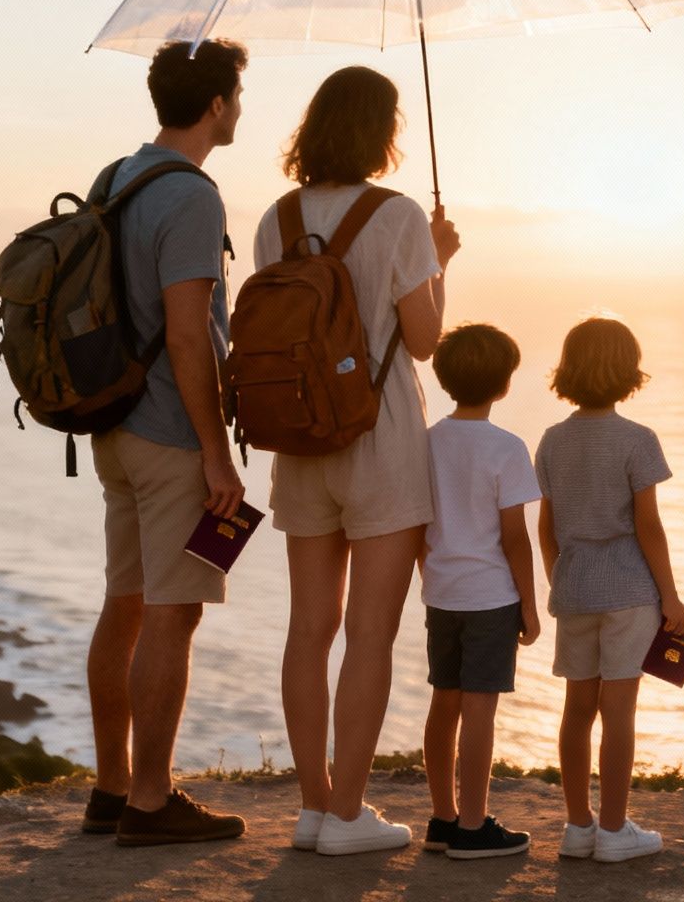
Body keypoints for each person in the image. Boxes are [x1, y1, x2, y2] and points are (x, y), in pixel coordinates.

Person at [251, 65, 460, 856]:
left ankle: (314, 808)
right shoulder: (398, 216)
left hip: (300, 439)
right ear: (382, 131)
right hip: (381, 440)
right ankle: (348, 815)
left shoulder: (276, 217)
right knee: (370, 635)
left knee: (309, 629)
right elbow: (425, 342)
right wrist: (440, 260)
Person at [83, 39, 249, 846]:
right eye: (237, 95)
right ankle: (151, 803)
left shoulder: (115, 178)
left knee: (124, 605)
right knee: (173, 616)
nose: (240, 108)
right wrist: (216, 452)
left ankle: (111, 788)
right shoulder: (191, 196)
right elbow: (188, 335)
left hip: (113, 429)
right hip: (170, 435)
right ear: (216, 105)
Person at [536, 317, 684, 863]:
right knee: (618, 711)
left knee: (577, 709)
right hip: (628, 592)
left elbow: (547, 527)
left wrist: (559, 578)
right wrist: (671, 595)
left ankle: (578, 827)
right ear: (629, 372)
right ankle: (615, 830)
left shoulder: (553, 440)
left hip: (574, 592)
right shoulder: (637, 440)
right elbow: (649, 527)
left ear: (568, 370)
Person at [417, 324, 542, 860]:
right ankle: (473, 826)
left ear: (444, 378)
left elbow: (418, 523)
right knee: (479, 712)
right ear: (504, 383)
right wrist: (529, 605)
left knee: (443, 703)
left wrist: (429, 573)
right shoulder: (507, 448)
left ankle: (443, 818)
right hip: (491, 597)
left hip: (442, 593)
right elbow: (515, 538)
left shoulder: (426, 443)